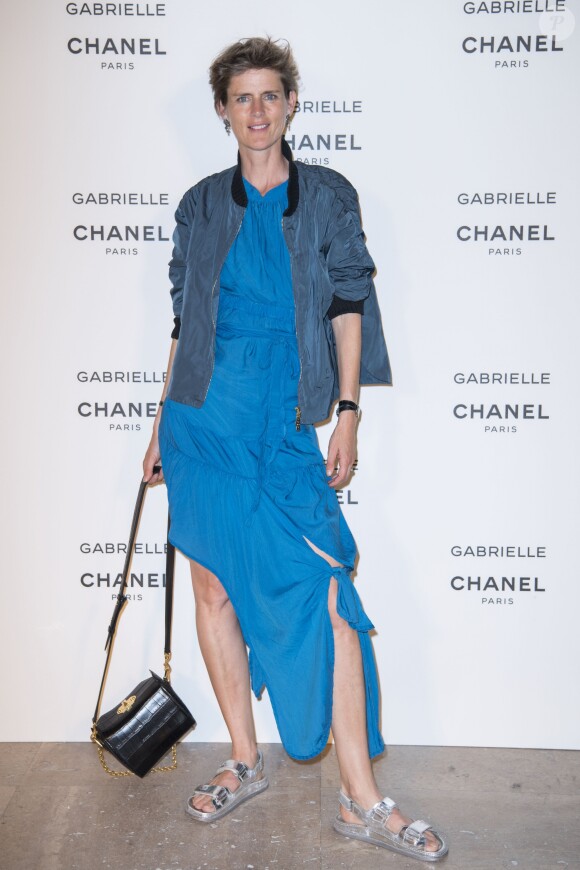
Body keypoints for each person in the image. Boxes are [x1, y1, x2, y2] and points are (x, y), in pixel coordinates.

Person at [143, 37, 447, 862]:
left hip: (283, 415)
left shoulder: (329, 196)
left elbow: (349, 299)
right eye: (241, 97)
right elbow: (185, 320)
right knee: (212, 591)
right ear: (222, 110)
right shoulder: (201, 205)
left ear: (290, 104)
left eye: (270, 95)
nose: (256, 110)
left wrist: (347, 411)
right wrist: (157, 426)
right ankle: (245, 758)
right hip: (202, 418)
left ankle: (362, 797)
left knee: (331, 593)